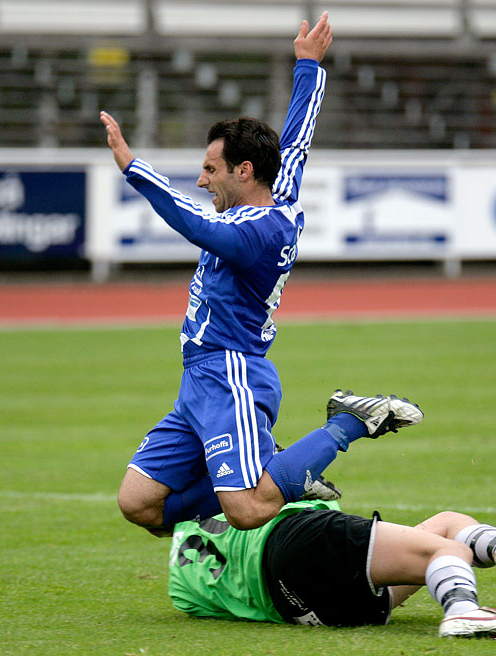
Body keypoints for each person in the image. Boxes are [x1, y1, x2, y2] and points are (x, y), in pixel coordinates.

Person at [100, 13, 424, 537]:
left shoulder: (256, 232)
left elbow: (196, 223)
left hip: (233, 374)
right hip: (200, 378)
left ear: (244, 171)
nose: (202, 179)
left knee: (248, 511)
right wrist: (308, 65)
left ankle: (347, 424)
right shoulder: (281, 188)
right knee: (140, 504)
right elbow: (299, 133)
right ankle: (281, 471)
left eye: (211, 169)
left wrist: (132, 167)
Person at [168, 500, 496, 638]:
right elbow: (275, 492)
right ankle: (462, 609)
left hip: (303, 612)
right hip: (292, 539)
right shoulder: (236, 486)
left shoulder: (180, 588)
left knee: (445, 525)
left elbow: (212, 606)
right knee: (444, 550)